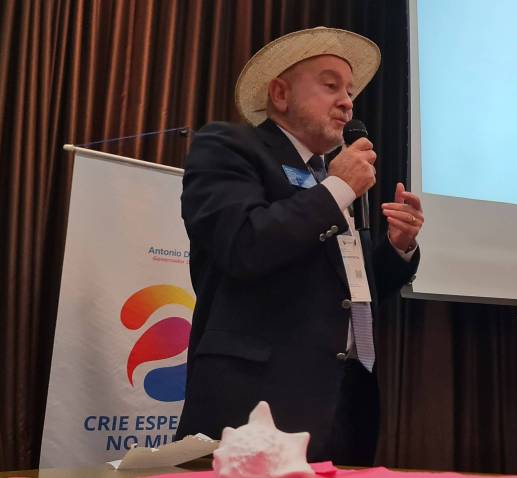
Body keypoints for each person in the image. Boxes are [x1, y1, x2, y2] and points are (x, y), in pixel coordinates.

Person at [174, 27, 423, 466]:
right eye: (330, 86)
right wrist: (337, 189)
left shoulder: (331, 176)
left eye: (350, 92)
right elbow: (244, 245)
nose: (347, 102)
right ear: (280, 94)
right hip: (256, 404)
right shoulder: (229, 147)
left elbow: (347, 289)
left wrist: (397, 248)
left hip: (345, 402)